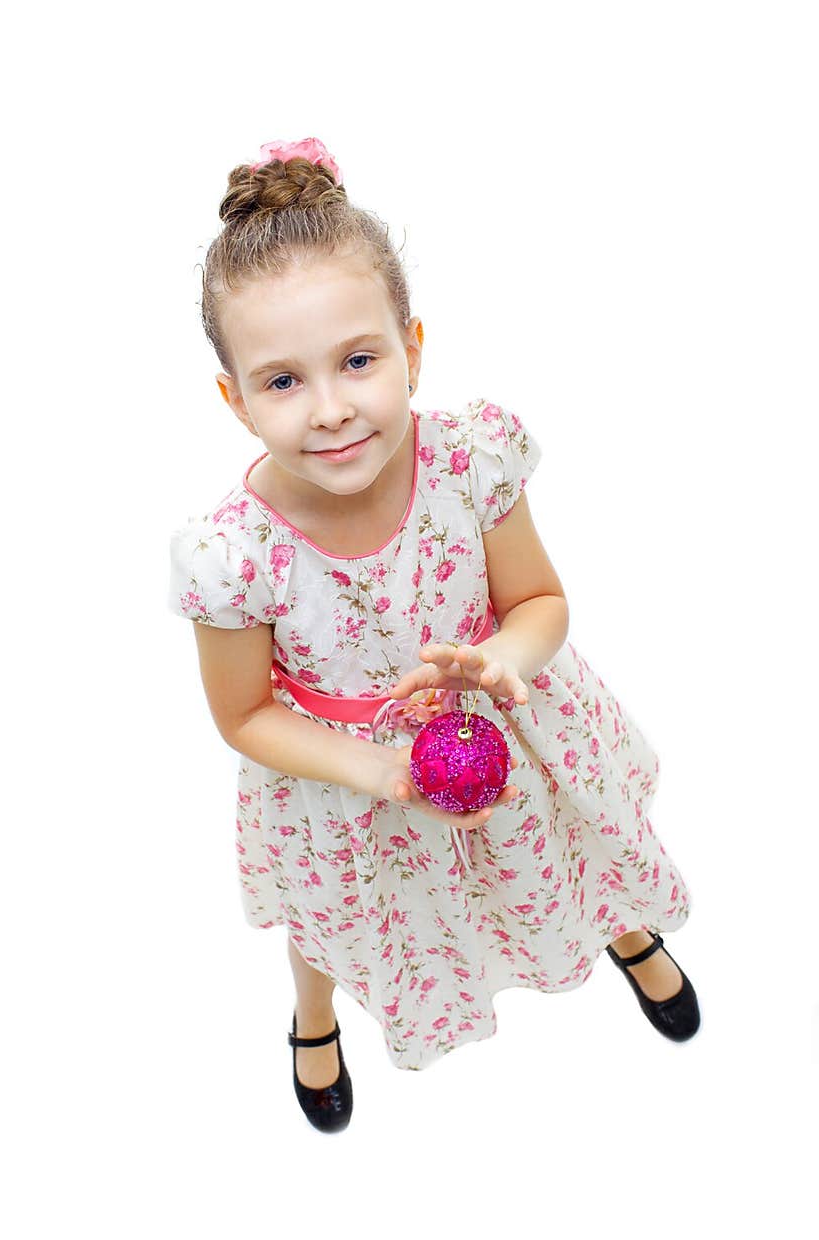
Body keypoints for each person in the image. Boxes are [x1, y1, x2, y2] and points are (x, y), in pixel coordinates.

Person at [168, 136, 700, 1134]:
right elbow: (242, 714)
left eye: (358, 361)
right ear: (234, 400)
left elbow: (540, 602)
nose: (330, 410)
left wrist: (502, 658)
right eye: (282, 382)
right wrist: (374, 775)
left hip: (507, 736)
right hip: (344, 783)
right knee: (329, 917)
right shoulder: (230, 556)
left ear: (411, 347)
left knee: (565, 838)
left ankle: (621, 930)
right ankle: (313, 1017)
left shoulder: (467, 458)